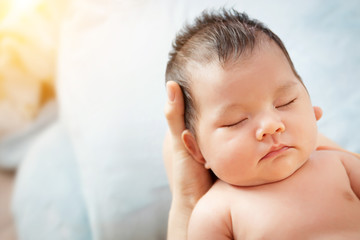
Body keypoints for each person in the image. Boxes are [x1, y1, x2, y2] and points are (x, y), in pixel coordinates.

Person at [164, 9, 360, 239]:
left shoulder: (340, 165)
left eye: (285, 102)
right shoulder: (215, 212)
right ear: (196, 149)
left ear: (312, 108)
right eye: (235, 121)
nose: (271, 125)